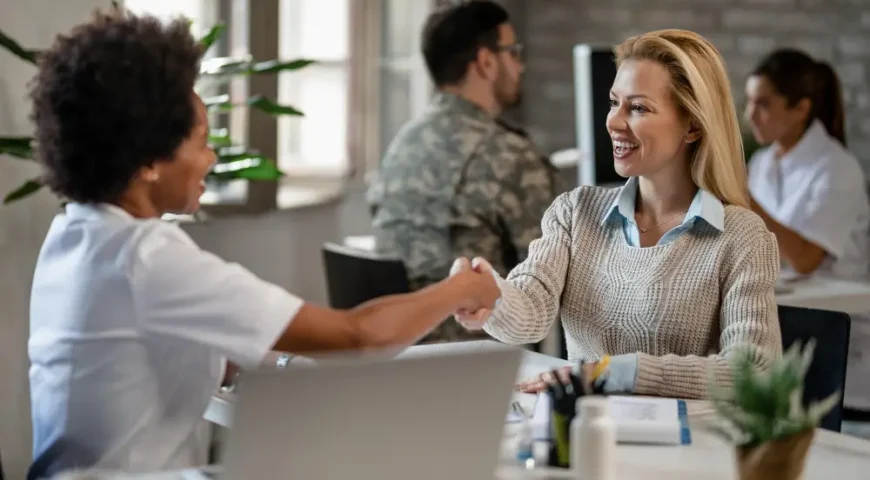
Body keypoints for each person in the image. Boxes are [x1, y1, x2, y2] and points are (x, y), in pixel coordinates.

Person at [26, 10, 500, 477]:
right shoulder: (145, 255)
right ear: (149, 157)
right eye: (199, 141)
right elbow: (358, 335)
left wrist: (274, 359)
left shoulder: (77, 233)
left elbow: (160, 353)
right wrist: (461, 288)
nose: (211, 157)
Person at [452, 29, 783, 399]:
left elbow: (755, 370)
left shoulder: (741, 236)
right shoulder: (575, 212)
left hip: (690, 448)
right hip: (586, 435)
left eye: (638, 108)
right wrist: (491, 296)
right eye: (614, 103)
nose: (613, 122)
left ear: (692, 126)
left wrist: (614, 372)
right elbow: (531, 311)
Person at [365, 0, 557, 343]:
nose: (520, 65)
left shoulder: (404, 143)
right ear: (486, 61)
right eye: (513, 52)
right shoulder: (509, 154)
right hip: (472, 358)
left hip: (394, 349)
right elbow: (555, 275)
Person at [744, 49, 870, 415]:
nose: (751, 115)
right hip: (784, 314)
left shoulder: (837, 168)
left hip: (835, 329)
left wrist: (745, 198)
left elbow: (805, 259)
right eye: (749, 102)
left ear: (801, 108)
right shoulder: (762, 162)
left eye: (764, 104)